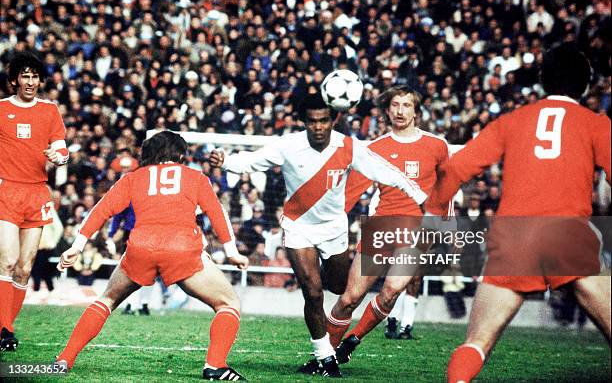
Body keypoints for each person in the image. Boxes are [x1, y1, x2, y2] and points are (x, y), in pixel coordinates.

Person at [425, 44, 611, 383]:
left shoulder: (512, 121)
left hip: (514, 239)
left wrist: (435, 209)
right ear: (586, 85)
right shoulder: (596, 124)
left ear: (542, 80)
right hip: (568, 235)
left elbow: (456, 167)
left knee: (476, 343)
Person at [209, 93, 427, 377]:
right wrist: (226, 161)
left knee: (337, 287)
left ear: (333, 120)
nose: (318, 127)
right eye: (312, 121)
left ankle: (319, 298)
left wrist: (418, 194)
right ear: (304, 122)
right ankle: (325, 355)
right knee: (312, 292)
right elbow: (254, 160)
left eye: (323, 120)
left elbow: (384, 171)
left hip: (334, 229)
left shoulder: (348, 147)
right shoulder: (289, 145)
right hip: (298, 226)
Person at [55, 131, 249, 381]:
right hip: (181, 247)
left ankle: (64, 359)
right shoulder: (195, 177)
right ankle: (215, 365)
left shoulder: (133, 177)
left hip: (141, 247)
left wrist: (77, 245)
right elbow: (217, 213)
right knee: (228, 303)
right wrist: (232, 252)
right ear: (180, 154)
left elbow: (102, 209)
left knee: (107, 300)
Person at [325, 86, 451, 362]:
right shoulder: (373, 149)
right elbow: (349, 195)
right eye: (395, 104)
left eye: (407, 105)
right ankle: (324, 354)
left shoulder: (437, 146)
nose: (400, 111)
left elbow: (447, 189)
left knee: (392, 289)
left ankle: (351, 341)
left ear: (416, 111)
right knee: (349, 298)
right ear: (387, 110)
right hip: (381, 228)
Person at [0, 51, 69, 351]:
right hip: (6, 191)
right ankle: (4, 329)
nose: (30, 82)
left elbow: (62, 149)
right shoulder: (1, 109)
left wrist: (60, 156)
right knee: (7, 260)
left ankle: (6, 328)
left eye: (34, 77)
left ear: (41, 80)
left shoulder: (50, 110)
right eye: (24, 76)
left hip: (37, 192)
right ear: (14, 80)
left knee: (25, 268)